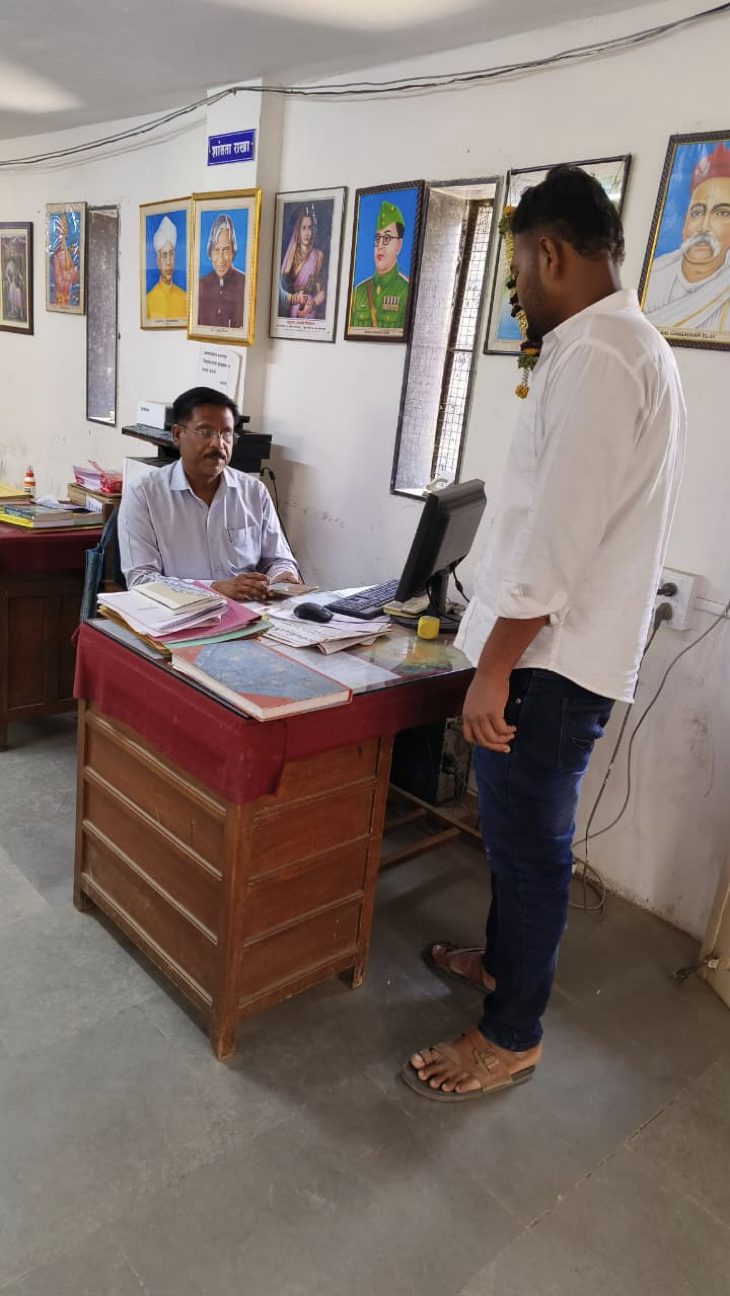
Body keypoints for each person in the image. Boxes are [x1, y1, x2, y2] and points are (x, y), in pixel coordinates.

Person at [402, 165, 686, 1102]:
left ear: (552, 252)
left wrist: (492, 669)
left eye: (517, 267)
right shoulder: (601, 346)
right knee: (518, 841)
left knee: (529, 850)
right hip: (546, 654)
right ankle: (503, 968)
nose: (516, 288)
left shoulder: (605, 356)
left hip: (548, 666)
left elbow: (558, 540)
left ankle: (511, 1034)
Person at [118, 386, 300, 599]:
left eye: (227, 434)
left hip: (251, 614)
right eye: (206, 432)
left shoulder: (254, 491)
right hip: (179, 617)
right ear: (177, 434)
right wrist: (215, 589)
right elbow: (141, 580)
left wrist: (283, 576)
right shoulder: (143, 494)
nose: (218, 444)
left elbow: (278, 559)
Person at [643, 141, 730, 335]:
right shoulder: (656, 276)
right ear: (684, 223)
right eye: (697, 213)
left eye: (722, 213)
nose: (704, 227)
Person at [349, 200, 410, 330]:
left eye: (387, 239)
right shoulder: (359, 291)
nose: (380, 245)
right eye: (377, 239)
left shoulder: (406, 291)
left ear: (398, 245)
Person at [198, 214, 246, 329]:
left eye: (226, 250)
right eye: (216, 250)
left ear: (233, 252)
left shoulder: (246, 283)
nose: (221, 258)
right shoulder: (200, 285)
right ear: (210, 253)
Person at [279, 205, 325, 319]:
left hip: (310, 307)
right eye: (303, 228)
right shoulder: (291, 258)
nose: (307, 232)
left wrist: (311, 305)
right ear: (298, 232)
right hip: (293, 305)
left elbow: (322, 293)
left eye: (310, 228)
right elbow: (280, 289)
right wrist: (295, 299)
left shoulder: (318, 256)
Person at [145, 214, 187, 321]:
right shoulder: (148, 300)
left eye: (171, 254)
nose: (168, 262)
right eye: (164, 255)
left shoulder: (184, 297)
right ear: (158, 261)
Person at [51, 214, 79, 308]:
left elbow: (75, 277)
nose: (62, 237)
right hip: (59, 301)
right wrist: (70, 274)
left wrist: (67, 274)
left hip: (67, 300)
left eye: (63, 234)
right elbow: (60, 285)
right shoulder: (56, 255)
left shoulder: (67, 252)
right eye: (60, 234)